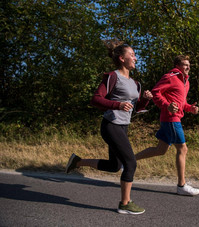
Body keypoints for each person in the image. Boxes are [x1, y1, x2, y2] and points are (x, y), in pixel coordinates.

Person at [65, 40, 153, 215]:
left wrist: (145, 99)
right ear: (122, 58)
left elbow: (135, 109)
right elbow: (96, 99)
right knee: (130, 163)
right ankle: (125, 203)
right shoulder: (113, 76)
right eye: (132, 55)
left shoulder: (135, 83)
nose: (135, 58)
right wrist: (117, 105)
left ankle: (77, 161)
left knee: (114, 165)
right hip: (111, 125)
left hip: (123, 126)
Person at [135, 55, 199, 196]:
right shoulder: (170, 77)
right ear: (177, 66)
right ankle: (181, 185)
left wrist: (190, 108)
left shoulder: (186, 82)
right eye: (184, 64)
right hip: (171, 118)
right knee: (183, 149)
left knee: (160, 150)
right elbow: (155, 92)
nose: (188, 67)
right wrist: (166, 106)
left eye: (189, 65)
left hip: (173, 118)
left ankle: (129, 161)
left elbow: (181, 102)